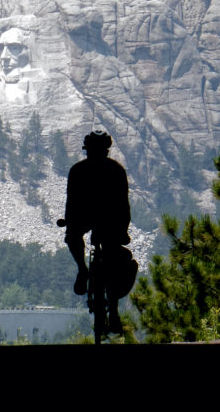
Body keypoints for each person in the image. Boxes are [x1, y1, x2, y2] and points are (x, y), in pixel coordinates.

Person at [60, 131, 132, 334]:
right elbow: (123, 205)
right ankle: (114, 312)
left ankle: (83, 271)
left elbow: (71, 203)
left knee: (74, 236)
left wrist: (70, 224)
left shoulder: (78, 170)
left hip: (91, 217)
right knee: (112, 258)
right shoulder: (116, 170)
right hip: (107, 219)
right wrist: (123, 229)